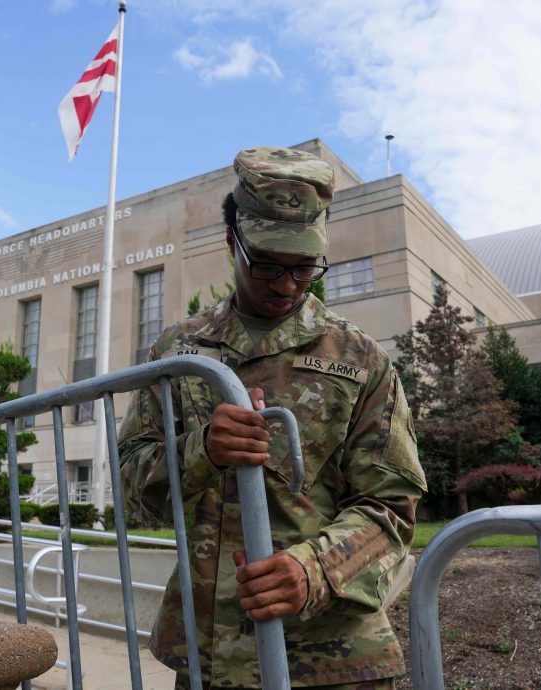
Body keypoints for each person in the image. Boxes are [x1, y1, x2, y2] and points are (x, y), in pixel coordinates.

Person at [119, 146, 427, 689]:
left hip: (330, 661)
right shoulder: (177, 353)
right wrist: (203, 451)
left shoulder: (360, 360)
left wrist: (316, 570)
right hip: (210, 657)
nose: (286, 285)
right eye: (265, 263)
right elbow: (131, 491)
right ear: (231, 241)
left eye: (304, 267)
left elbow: (392, 509)